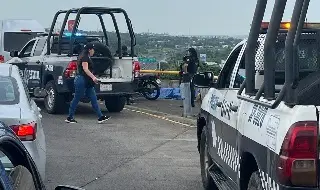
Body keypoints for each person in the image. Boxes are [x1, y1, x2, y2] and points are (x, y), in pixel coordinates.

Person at [65, 43, 110, 124]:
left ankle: (100, 116)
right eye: (93, 49)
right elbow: (85, 69)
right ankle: (70, 117)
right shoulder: (85, 57)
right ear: (89, 50)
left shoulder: (85, 56)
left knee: (93, 98)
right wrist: (93, 77)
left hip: (87, 80)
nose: (94, 51)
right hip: (81, 80)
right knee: (77, 98)